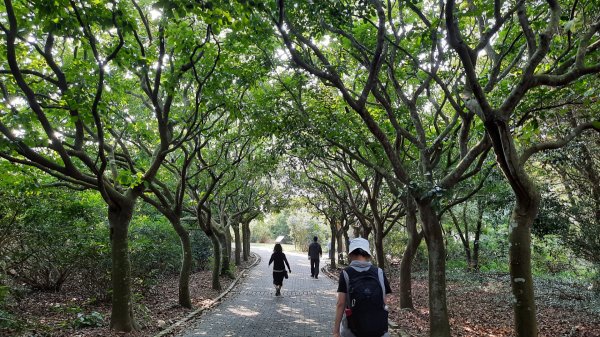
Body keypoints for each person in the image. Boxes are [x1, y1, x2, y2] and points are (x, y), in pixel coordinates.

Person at [333, 238, 392, 337]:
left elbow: (341, 303)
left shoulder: (346, 273)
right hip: (378, 330)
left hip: (353, 330)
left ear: (351, 253)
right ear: (367, 253)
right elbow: (384, 302)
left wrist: (335, 332)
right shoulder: (379, 272)